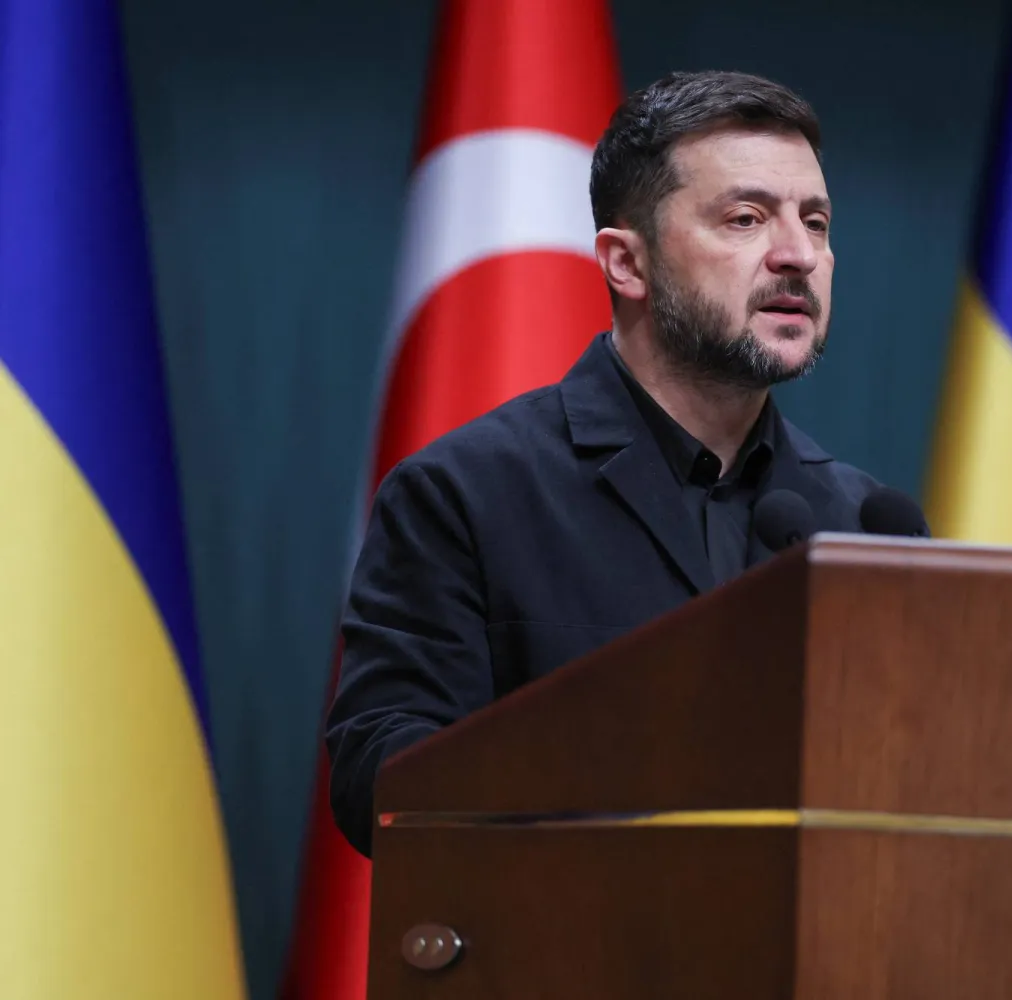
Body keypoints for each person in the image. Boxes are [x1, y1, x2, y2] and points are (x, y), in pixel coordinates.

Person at [325, 70, 886, 857]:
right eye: (746, 218)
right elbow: (380, 780)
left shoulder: (862, 524)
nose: (798, 256)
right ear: (627, 264)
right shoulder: (467, 495)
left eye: (817, 222)